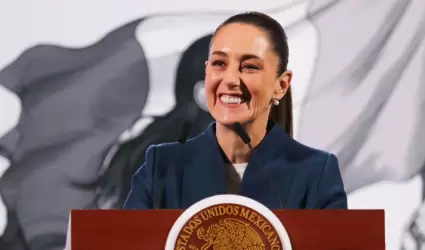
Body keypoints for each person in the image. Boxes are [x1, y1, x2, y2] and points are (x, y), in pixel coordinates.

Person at [123, 11, 347, 210]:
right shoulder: (161, 166)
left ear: (281, 85)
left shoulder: (316, 172)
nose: (229, 79)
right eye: (219, 64)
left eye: (249, 66)